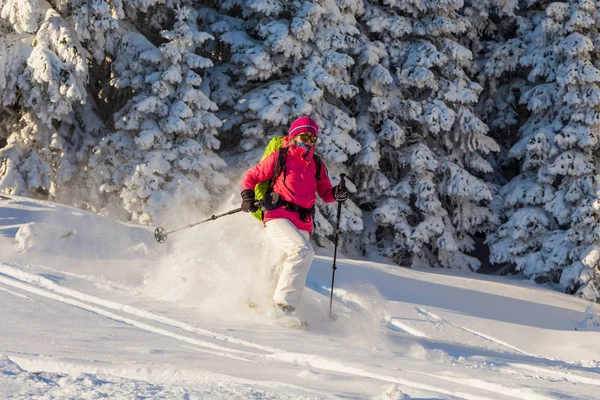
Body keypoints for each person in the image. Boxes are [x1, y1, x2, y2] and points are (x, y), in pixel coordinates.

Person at [240, 116, 349, 314]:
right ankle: (284, 306)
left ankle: (265, 304)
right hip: (277, 215)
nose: (308, 141)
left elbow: (325, 193)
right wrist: (247, 195)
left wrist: (336, 193)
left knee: (283, 265)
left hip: (303, 222)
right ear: (293, 137)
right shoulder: (281, 157)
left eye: (312, 138)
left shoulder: (316, 164)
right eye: (304, 136)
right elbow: (252, 176)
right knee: (302, 252)